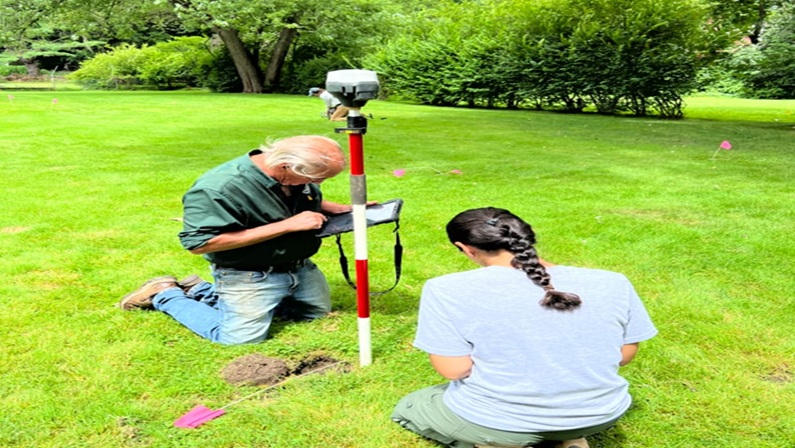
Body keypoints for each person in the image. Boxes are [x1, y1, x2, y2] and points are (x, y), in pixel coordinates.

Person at [392, 207, 658, 448]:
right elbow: (624, 355)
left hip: (500, 421)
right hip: (600, 414)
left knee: (414, 405)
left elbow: (454, 369)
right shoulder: (614, 281)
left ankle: (500, 443)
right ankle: (568, 439)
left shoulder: (444, 289)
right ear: (526, 236)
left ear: (466, 248)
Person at [118, 135, 355, 345]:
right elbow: (199, 243)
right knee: (240, 339)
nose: (318, 183)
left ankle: (200, 290)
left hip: (300, 266)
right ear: (285, 165)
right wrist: (287, 225)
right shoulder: (219, 188)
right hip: (248, 272)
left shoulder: (287, 177)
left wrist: (331, 207)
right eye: (317, 178)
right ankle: (164, 294)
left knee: (312, 315)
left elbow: (287, 199)